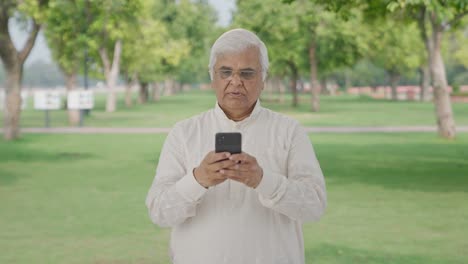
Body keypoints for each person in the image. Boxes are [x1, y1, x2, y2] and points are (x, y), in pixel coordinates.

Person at [145, 28, 327, 264]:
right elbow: (159, 212)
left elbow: (314, 207)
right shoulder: (184, 133)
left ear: (263, 78)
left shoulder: (289, 131)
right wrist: (198, 179)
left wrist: (263, 180)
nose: (235, 82)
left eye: (247, 73)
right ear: (213, 77)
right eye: (226, 72)